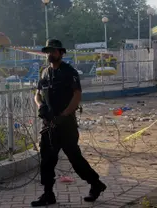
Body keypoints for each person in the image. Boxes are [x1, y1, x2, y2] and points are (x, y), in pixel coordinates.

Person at [31, 39, 107, 207]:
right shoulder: (44, 73)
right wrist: (41, 105)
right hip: (49, 123)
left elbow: (77, 96)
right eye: (48, 51)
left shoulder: (69, 72)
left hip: (66, 124)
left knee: (75, 158)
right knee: (47, 160)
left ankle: (96, 184)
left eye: (53, 51)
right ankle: (48, 194)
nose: (50, 54)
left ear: (61, 53)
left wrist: (64, 115)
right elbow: (37, 94)